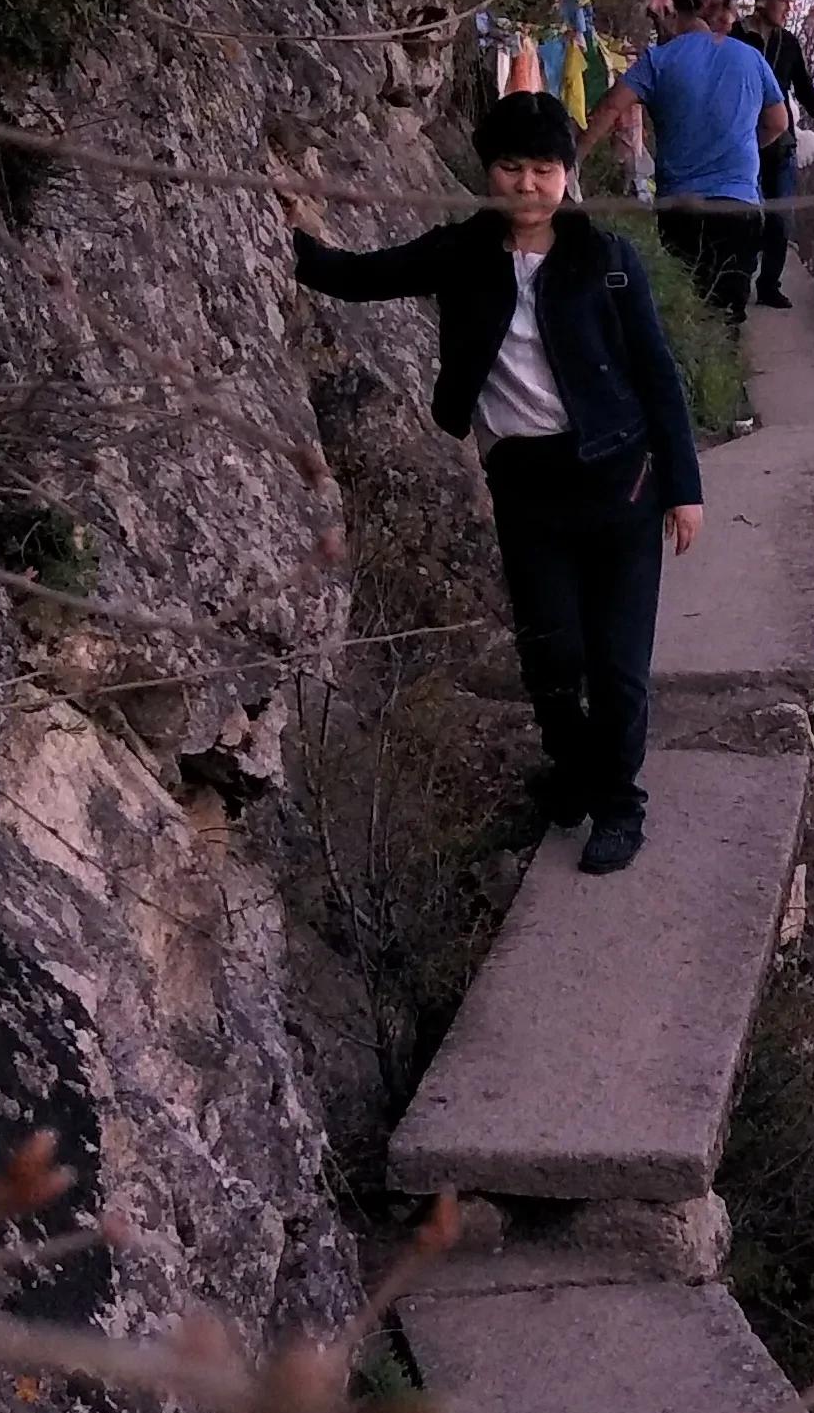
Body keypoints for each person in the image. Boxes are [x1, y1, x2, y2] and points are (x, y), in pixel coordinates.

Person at [290, 91, 702, 877]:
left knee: (616, 665)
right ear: (488, 172)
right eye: (511, 167)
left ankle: (618, 805)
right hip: (528, 490)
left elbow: (658, 376)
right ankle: (572, 771)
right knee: (551, 657)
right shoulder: (461, 252)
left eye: (544, 169)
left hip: (621, 483)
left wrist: (685, 488)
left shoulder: (607, 261)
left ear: (567, 175)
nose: (526, 184)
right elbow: (360, 276)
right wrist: (282, 241)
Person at [584, 0, 788, 327]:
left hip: (680, 205)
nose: (656, 28)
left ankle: (690, 375)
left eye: (657, 19)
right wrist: (738, 146)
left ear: (674, 14)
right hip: (738, 204)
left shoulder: (658, 60)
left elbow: (608, 111)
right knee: (726, 317)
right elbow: (778, 123)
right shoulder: (751, 58)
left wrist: (570, 162)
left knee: (686, 310)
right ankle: (721, 376)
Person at [746, 0, 814, 310]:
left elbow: (805, 90)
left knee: (780, 217)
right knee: (744, 213)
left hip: (781, 143)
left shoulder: (790, 44)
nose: (789, 7)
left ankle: (769, 285)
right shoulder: (737, 36)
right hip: (744, 139)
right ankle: (736, 277)